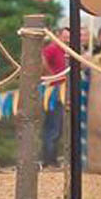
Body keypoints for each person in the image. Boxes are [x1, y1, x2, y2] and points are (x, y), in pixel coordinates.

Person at [39, 26, 70, 167]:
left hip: (64, 92)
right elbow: (42, 59)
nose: (67, 39)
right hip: (54, 92)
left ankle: (53, 159)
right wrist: (52, 76)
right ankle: (48, 160)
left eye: (69, 37)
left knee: (58, 128)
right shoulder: (53, 48)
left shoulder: (68, 51)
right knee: (53, 127)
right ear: (59, 36)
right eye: (65, 36)